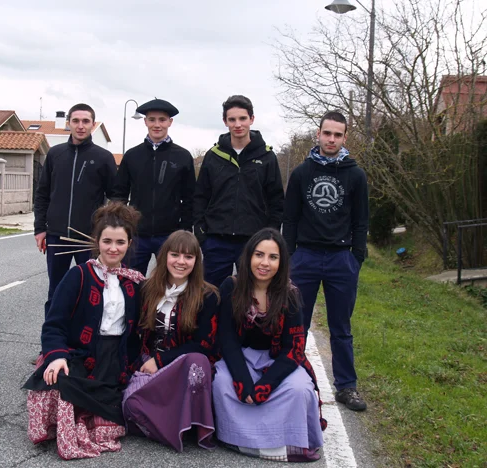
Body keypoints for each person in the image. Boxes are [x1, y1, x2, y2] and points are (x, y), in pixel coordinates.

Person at [23, 202, 144, 460]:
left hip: (117, 357)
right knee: (57, 379)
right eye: (107, 241)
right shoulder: (78, 275)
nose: (113, 248)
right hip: (81, 353)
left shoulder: (134, 282)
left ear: (129, 244)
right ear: (97, 242)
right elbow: (54, 323)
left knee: (119, 402)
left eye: (120, 242)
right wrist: (56, 356)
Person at [212, 228, 325, 462]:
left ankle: (286, 442)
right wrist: (243, 381)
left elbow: (294, 348)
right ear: (248, 257)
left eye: (273, 257)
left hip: (276, 360)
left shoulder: (291, 294)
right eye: (259, 255)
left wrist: (265, 386)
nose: (265, 263)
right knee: (222, 383)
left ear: (281, 263)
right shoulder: (231, 287)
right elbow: (227, 338)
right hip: (240, 358)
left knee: (300, 389)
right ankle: (238, 439)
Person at [283, 110, 369, 412]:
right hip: (305, 257)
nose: (331, 139)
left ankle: (346, 387)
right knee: (297, 324)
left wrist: (356, 258)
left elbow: (361, 221)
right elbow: (290, 219)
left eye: (337, 134)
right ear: (318, 134)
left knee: (341, 327)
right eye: (327, 133)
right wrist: (290, 256)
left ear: (345, 137)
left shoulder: (356, 175)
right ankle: (290, 379)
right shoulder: (301, 173)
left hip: (341, 259)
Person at [122, 230, 219, 452]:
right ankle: (175, 423)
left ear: (196, 261)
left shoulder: (208, 295)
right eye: (175, 255)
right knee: (130, 405)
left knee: (197, 361)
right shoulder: (146, 289)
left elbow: (204, 345)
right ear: (165, 256)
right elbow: (132, 333)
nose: (181, 262)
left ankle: (181, 422)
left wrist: (160, 360)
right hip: (150, 363)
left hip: (184, 366)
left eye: (188, 257)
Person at [34, 103, 117, 316]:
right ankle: (52, 335)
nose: (81, 126)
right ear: (69, 123)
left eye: (86, 121)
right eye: (76, 121)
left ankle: (88, 335)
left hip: (89, 238)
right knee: (56, 292)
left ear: (92, 124)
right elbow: (42, 193)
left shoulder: (104, 157)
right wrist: (40, 229)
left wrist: (107, 231)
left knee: (92, 291)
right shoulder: (55, 154)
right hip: (56, 236)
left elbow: (115, 198)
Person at [193, 95, 284, 288]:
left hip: (254, 242)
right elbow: (200, 197)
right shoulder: (213, 156)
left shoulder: (267, 157)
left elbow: (276, 201)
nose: (238, 124)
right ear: (225, 121)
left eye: (242, 118)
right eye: (232, 119)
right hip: (216, 241)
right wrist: (202, 236)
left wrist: (270, 236)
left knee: (251, 295)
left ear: (252, 119)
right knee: (211, 295)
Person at [112, 99, 196, 276]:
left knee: (169, 282)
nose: (157, 125)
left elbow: (190, 197)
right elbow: (119, 193)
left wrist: (185, 230)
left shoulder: (182, 156)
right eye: (152, 119)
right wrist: (122, 225)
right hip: (137, 234)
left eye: (162, 120)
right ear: (145, 122)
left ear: (170, 122)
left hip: (170, 235)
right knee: (130, 280)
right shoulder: (132, 156)